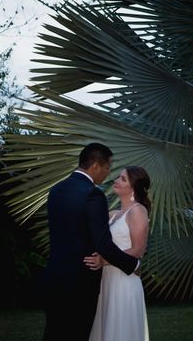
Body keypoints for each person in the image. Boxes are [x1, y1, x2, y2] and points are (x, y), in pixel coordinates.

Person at [43, 143, 139, 341]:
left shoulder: (56, 190)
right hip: (80, 283)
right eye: (107, 167)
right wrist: (133, 264)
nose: (108, 173)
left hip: (54, 277)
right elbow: (103, 243)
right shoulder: (92, 194)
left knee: (54, 332)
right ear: (95, 165)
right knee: (77, 334)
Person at [85, 166, 151, 341]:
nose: (116, 180)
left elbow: (138, 250)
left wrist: (103, 261)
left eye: (123, 179)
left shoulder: (138, 211)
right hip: (106, 280)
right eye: (118, 177)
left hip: (124, 281)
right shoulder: (113, 215)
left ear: (134, 187)